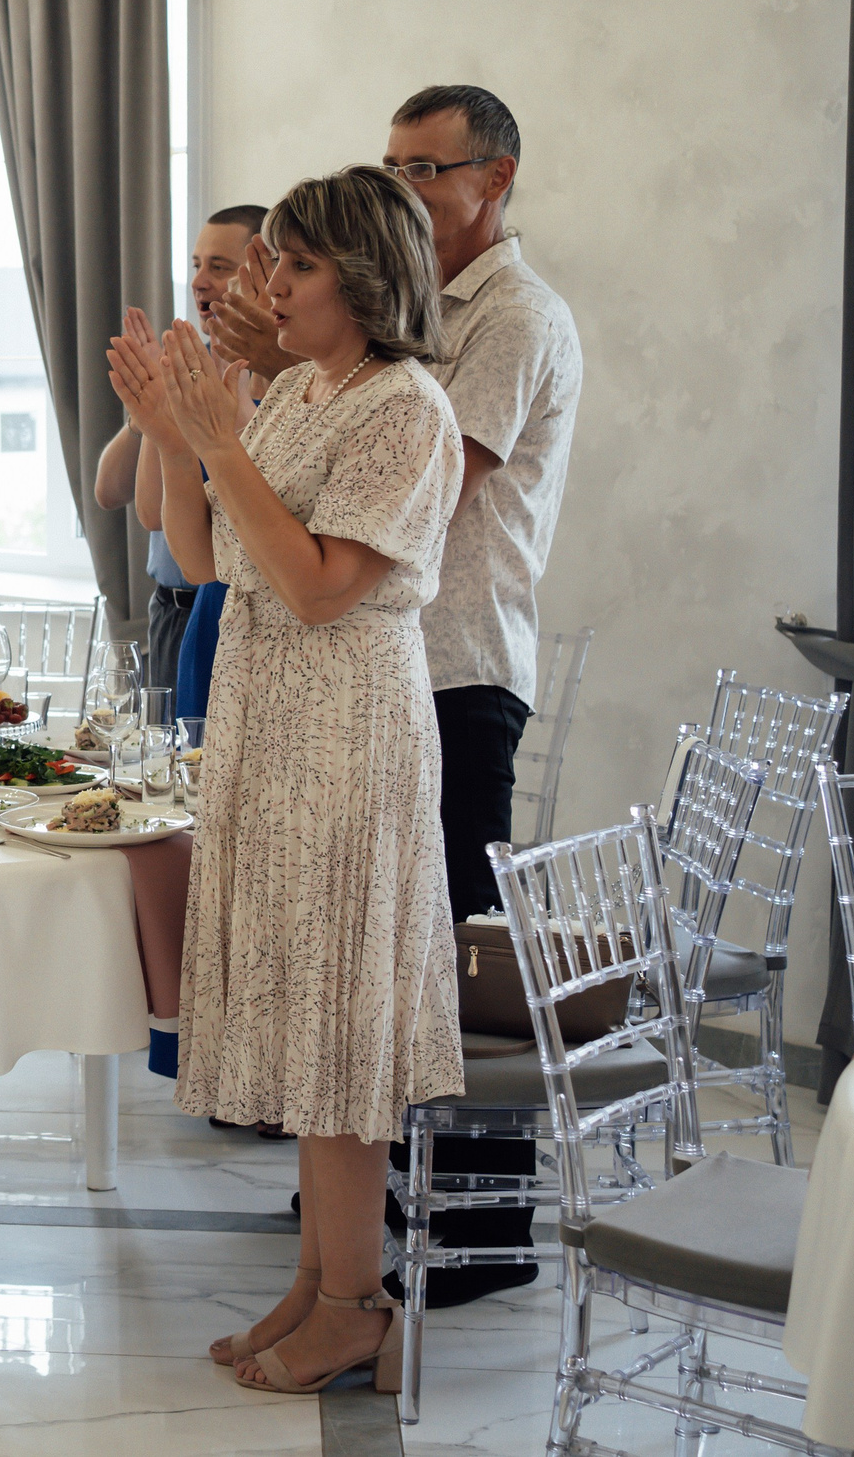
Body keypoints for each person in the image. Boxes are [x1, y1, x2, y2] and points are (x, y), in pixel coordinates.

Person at [208, 86, 580, 1305]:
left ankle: (463, 1251)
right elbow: (244, 546)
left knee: (412, 988)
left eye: (432, 167)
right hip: (325, 687)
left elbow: (410, 502)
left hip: (443, 666)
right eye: (396, 164)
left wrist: (244, 424)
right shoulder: (337, 378)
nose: (413, 184)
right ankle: (343, 1262)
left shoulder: (504, 323)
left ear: (496, 177)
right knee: (334, 998)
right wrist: (220, 416)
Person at [113, 166, 463, 1396]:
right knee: (298, 1007)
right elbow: (204, 555)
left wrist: (216, 437)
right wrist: (173, 433)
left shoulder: (406, 405)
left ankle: (360, 1299)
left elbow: (319, 584)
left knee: (340, 1024)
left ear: (362, 279)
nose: (268, 286)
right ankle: (318, 1280)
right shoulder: (308, 390)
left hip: (348, 730)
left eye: (294, 267)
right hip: (268, 723)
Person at [93, 206, 267, 710]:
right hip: (173, 608)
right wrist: (152, 405)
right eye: (195, 265)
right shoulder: (191, 361)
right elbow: (133, 505)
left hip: (236, 606)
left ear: (261, 271)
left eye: (219, 266)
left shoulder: (281, 381)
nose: (200, 282)